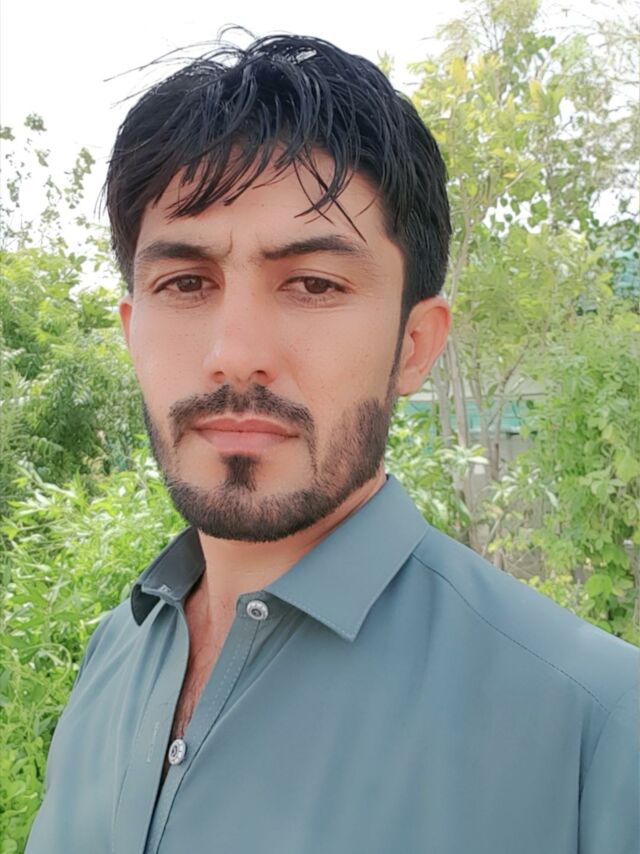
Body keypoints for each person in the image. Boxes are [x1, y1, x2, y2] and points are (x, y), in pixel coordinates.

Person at [26, 34, 638, 854]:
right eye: (186, 283)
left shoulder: (596, 728)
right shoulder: (112, 654)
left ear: (414, 346)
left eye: (314, 283)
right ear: (133, 333)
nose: (234, 352)